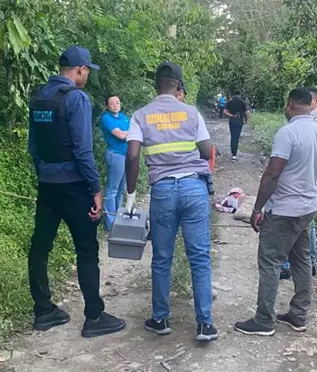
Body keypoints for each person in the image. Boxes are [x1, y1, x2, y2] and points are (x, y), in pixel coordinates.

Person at [27, 45, 126, 338]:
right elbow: (83, 151)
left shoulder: (39, 97)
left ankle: (44, 311)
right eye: (87, 71)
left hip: (47, 186)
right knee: (86, 249)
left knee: (40, 247)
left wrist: (44, 174)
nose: (87, 76)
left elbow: (33, 146)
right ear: (80, 70)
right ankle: (94, 316)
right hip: (74, 187)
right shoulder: (76, 99)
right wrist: (95, 189)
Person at [124, 61, 218, 342]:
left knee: (162, 257)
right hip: (193, 188)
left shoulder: (140, 115)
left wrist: (130, 196)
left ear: (156, 86)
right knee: (199, 257)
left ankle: (160, 318)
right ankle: (205, 325)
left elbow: (132, 157)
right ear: (179, 85)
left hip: (163, 190)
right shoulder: (191, 112)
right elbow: (206, 150)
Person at [234, 88, 317, 337]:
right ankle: (298, 315)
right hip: (308, 207)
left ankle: (264, 319)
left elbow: (273, 173)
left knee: (270, 261)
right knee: (302, 261)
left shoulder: (289, 133)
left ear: (290, 105)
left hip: (285, 209)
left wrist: (257, 209)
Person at [280, 86, 317, 279]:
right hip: (311, 173)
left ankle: (304, 261)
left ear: (315, 102)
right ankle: (300, 262)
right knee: (304, 219)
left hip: (310, 175)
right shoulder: (313, 122)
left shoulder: (316, 122)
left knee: (301, 220)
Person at [99, 94, 130, 233]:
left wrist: (129, 132)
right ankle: (110, 224)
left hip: (126, 155)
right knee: (112, 190)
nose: (115, 105)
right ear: (107, 106)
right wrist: (131, 132)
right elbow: (121, 135)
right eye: (112, 103)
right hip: (115, 155)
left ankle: (117, 220)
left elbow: (130, 133)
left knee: (120, 190)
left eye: (117, 102)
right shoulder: (106, 118)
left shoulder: (124, 117)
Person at [223, 91, 248, 161]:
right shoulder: (243, 102)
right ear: (240, 95)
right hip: (240, 122)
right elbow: (246, 113)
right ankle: (234, 154)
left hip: (232, 122)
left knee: (233, 137)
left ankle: (233, 154)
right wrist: (246, 120)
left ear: (233, 95)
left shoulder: (230, 102)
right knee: (237, 137)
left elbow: (225, 111)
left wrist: (232, 115)